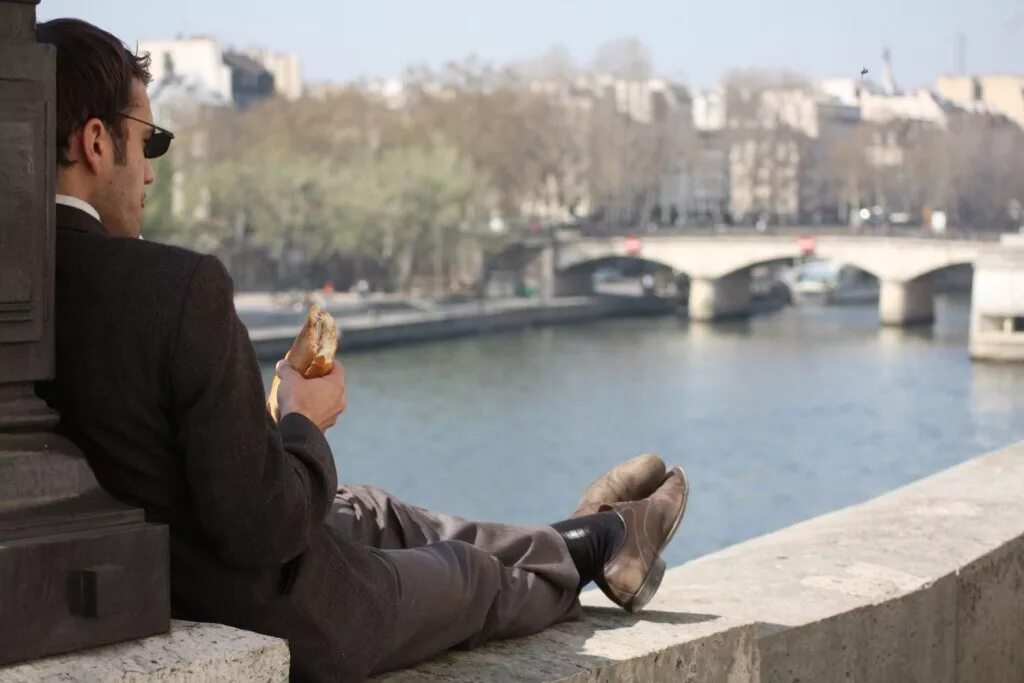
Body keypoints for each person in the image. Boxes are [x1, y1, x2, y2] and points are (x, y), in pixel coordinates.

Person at [33, 18, 689, 683]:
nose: (149, 173)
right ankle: (598, 543)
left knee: (377, 511)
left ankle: (590, 540)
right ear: (94, 142)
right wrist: (301, 418)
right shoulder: (172, 290)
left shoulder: (26, 285)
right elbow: (261, 527)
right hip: (283, 606)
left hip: (172, 560)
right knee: (464, 578)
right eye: (150, 143)